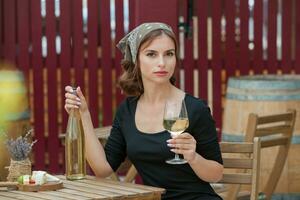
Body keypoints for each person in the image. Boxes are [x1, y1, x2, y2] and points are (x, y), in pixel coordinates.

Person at [64, 22, 223, 199]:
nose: (162, 63)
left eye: (169, 54)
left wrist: (193, 157)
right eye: (151, 54)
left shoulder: (195, 109)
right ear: (136, 60)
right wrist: (83, 115)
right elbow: (102, 169)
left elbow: (216, 174)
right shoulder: (127, 110)